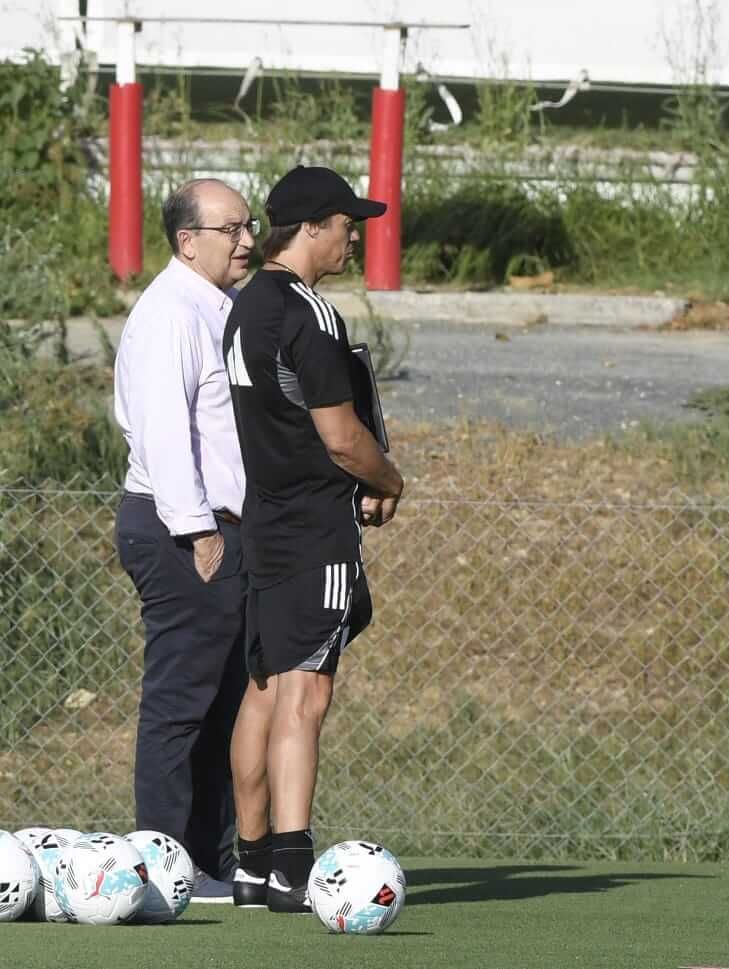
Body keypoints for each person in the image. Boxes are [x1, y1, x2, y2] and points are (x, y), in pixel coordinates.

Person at [221, 166, 405, 912]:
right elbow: (339, 437)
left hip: (265, 520)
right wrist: (388, 480)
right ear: (311, 227)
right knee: (306, 691)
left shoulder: (245, 307)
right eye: (345, 224)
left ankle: (253, 862)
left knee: (262, 688)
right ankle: (295, 867)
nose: (352, 237)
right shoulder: (308, 313)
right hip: (314, 528)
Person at [112, 178, 260, 902]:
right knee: (180, 704)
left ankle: (205, 858)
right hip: (181, 531)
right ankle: (163, 864)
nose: (248, 240)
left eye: (249, 225)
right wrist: (199, 533)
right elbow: (166, 432)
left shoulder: (216, 307)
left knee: (221, 701)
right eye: (231, 228)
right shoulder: (172, 312)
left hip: (217, 530)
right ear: (187, 241)